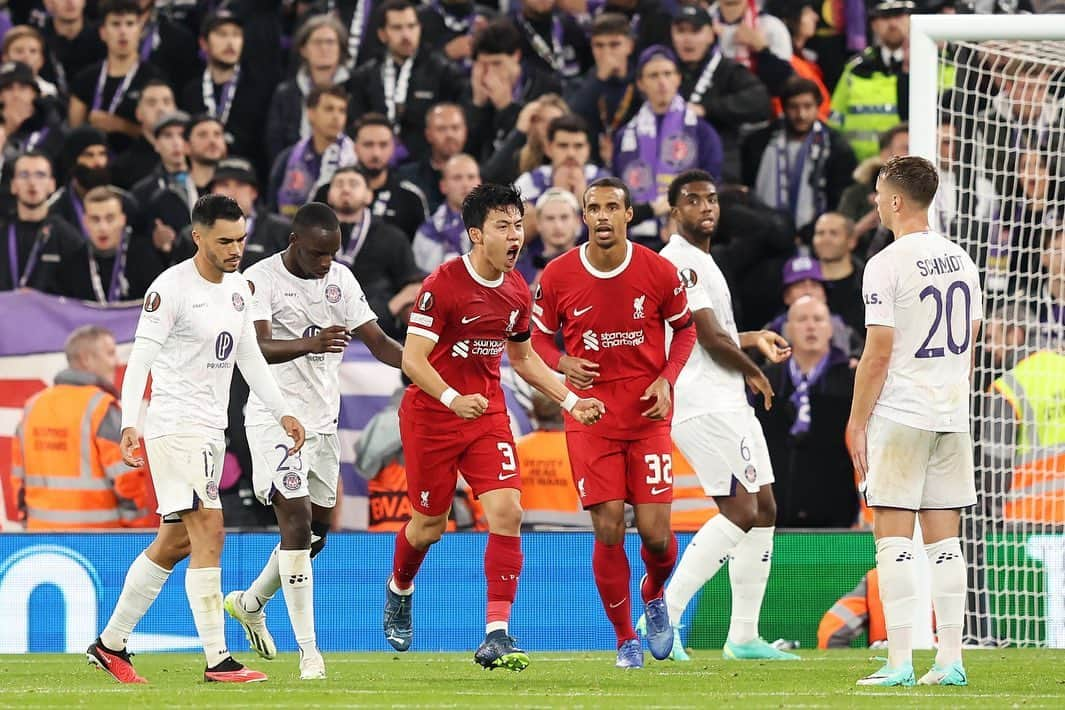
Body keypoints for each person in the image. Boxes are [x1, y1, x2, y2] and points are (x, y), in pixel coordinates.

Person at [382, 183, 604, 671]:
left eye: (518, 225)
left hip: (485, 417)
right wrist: (451, 397)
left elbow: (523, 360)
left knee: (508, 511)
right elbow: (412, 360)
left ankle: (497, 633)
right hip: (432, 417)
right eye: (503, 226)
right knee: (429, 527)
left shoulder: (517, 290)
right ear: (476, 234)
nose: (515, 236)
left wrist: (570, 399)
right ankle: (400, 588)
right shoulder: (441, 285)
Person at [86, 194, 307, 685]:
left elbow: (248, 355)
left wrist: (284, 411)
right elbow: (139, 360)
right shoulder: (170, 289)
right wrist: (130, 422)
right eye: (225, 240)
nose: (235, 248)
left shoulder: (239, 289)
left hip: (209, 428)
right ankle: (217, 659)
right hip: (175, 424)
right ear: (198, 237)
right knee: (210, 528)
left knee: (176, 541)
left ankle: (110, 643)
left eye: (241, 239)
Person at [224, 202, 404, 680]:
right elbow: (254, 347)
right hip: (273, 417)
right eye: (318, 254)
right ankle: (310, 654)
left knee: (316, 533)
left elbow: (379, 341)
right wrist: (311, 342)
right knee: (298, 523)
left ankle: (250, 601)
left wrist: (425, 368)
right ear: (294, 243)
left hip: (322, 422)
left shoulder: (341, 280)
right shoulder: (258, 278)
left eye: (333, 254)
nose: (326, 262)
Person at [531, 177, 697, 668]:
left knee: (657, 537)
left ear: (628, 215)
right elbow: (535, 342)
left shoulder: (658, 270)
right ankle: (625, 638)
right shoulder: (559, 276)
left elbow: (685, 331)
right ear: (584, 218)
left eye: (611, 208)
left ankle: (653, 592)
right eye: (593, 209)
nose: (602, 216)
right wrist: (561, 363)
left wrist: (667, 378)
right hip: (590, 417)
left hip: (647, 417)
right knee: (607, 527)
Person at [651, 169, 798, 662]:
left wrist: (752, 339)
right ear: (674, 211)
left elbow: (714, 334)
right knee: (741, 511)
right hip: (702, 403)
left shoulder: (703, 262)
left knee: (766, 510)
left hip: (725, 399)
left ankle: (743, 636)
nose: (706, 207)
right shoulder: (679, 263)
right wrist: (754, 371)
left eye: (712, 199)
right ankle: (664, 619)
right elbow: (708, 339)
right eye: (693, 200)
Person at [847, 156, 983, 687]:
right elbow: (969, 338)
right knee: (945, 543)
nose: (877, 202)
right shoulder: (962, 259)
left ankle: (900, 661)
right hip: (951, 412)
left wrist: (857, 422)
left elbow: (878, 351)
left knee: (894, 539)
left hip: (901, 413)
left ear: (898, 200)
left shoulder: (885, 264)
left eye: (880, 193)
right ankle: (951, 660)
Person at [10, 325, 153, 530]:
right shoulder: (102, 409)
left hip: (41, 541)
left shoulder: (33, 407)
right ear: (86, 359)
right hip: (99, 543)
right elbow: (128, 480)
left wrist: (29, 524)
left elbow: (18, 481)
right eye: (110, 353)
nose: (116, 362)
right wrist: (136, 536)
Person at [758, 296, 857, 528]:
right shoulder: (765, 380)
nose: (811, 326)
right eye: (802, 319)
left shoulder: (851, 379)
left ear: (831, 329)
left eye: (818, 319)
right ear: (788, 330)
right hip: (777, 513)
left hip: (839, 514)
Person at [613, 45, 723, 244]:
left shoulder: (700, 130)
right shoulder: (625, 137)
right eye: (653, 76)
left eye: (667, 73)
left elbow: (713, 181)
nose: (662, 82)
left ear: (678, 78)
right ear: (640, 83)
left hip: (690, 234)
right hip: (638, 237)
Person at [347, 0, 467, 161]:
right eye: (397, 28)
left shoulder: (443, 73)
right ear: (382, 34)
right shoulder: (364, 76)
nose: (406, 35)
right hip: (376, 163)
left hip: (427, 169)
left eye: (411, 26)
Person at [743, 77, 856, 242]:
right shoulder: (758, 142)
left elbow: (840, 199)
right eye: (793, 107)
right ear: (783, 108)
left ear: (818, 107)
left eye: (807, 106)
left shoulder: (836, 147)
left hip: (816, 238)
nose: (801, 114)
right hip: (763, 235)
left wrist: (810, 233)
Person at [68, 0, 163, 152]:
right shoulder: (85, 79)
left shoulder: (155, 79)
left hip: (142, 165)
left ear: (140, 30)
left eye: (130, 24)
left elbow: (162, 136)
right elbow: (73, 135)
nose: (123, 32)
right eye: (116, 24)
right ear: (103, 33)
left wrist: (121, 126)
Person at [829, 1, 913, 162]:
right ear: (873, 24)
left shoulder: (931, 65)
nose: (893, 24)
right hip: (858, 168)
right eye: (885, 17)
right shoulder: (855, 68)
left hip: (911, 169)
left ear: (910, 19)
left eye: (898, 15)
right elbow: (835, 121)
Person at [58, 185, 164, 302]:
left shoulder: (144, 258)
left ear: (122, 220)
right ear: (85, 222)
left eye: (110, 218)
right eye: (95, 219)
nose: (103, 227)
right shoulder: (72, 265)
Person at [0, 151, 81, 294]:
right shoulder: (3, 232)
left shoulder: (67, 237)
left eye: (40, 175)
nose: (32, 182)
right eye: (24, 175)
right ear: (13, 185)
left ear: (52, 185)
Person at [269, 86, 355, 218]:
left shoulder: (354, 157)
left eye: (342, 111)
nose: (336, 117)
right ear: (311, 113)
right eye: (329, 109)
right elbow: (272, 207)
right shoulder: (287, 157)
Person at [412, 153, 480, 273]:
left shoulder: (494, 226)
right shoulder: (427, 232)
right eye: (457, 178)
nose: (465, 184)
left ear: (480, 183)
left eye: (471, 177)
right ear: (443, 186)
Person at [813, 212, 865, 336]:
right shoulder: (801, 283)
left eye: (833, 233)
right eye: (820, 233)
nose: (825, 239)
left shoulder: (870, 284)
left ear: (851, 241)